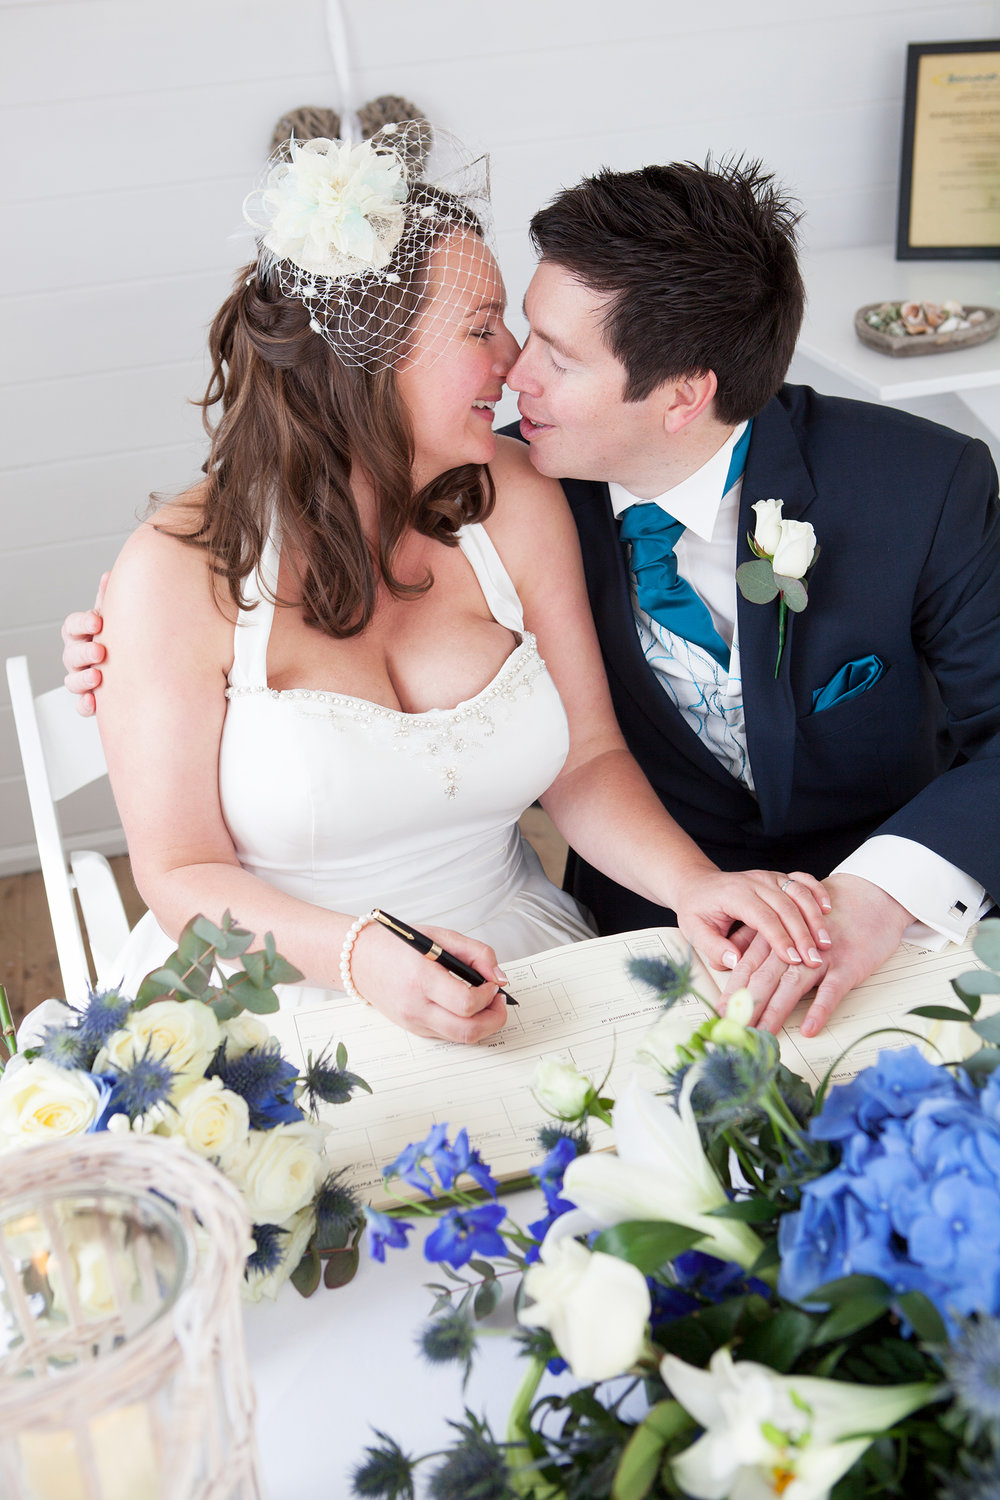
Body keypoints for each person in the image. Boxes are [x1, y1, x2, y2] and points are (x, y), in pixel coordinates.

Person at [63, 127, 829, 1043]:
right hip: (270, 982)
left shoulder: (518, 499)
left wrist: (691, 885)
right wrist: (361, 955)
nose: (514, 358)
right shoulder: (178, 570)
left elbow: (586, 759)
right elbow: (179, 869)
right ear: (368, 361)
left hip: (514, 954)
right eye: (481, 328)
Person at [497, 157, 1000, 1038]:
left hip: (900, 915)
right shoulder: (504, 500)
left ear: (686, 395)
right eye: (526, 333)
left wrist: (878, 897)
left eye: (558, 357)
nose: (515, 376)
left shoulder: (923, 484)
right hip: (644, 928)